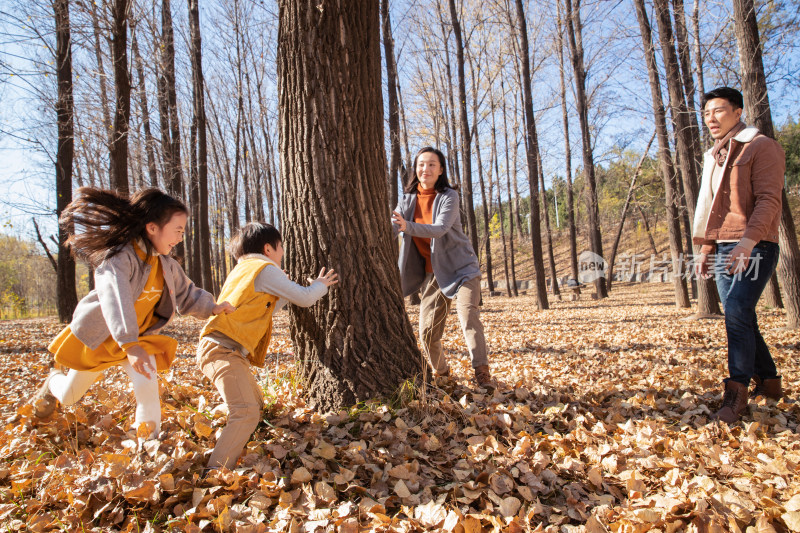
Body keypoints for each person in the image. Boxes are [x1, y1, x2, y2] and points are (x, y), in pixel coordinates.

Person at [30, 187, 235, 439]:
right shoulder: (118, 258)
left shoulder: (167, 265)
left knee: (147, 385)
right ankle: (53, 382)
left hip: (138, 341)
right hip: (102, 338)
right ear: (152, 228)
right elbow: (115, 299)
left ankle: (147, 445)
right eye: (178, 230)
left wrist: (212, 307)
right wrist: (129, 343)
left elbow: (186, 293)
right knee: (70, 396)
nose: (181, 237)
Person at [197, 222, 338, 471]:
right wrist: (321, 285)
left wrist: (283, 291)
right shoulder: (264, 268)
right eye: (281, 247)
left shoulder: (244, 270)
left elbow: (266, 309)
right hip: (222, 350)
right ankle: (215, 474)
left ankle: (237, 441)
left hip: (223, 349)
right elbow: (305, 298)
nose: (283, 252)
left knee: (256, 403)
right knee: (247, 411)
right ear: (268, 249)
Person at [693, 87, 785, 424]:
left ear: (738, 111)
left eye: (718, 111)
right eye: (706, 114)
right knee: (742, 315)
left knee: (736, 310)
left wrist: (747, 243)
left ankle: (736, 393)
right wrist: (706, 248)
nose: (711, 119)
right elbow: (712, 208)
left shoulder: (761, 146)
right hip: (722, 246)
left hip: (755, 244)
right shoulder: (714, 155)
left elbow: (768, 200)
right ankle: (771, 383)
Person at [392, 147, 493, 388]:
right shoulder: (406, 200)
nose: (425, 169)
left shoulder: (449, 196)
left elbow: (439, 228)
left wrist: (407, 226)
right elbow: (392, 227)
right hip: (433, 273)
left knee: (468, 317)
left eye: (431, 165)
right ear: (415, 169)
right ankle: (444, 376)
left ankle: (482, 375)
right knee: (427, 333)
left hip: (462, 268)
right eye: (421, 164)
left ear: (441, 170)